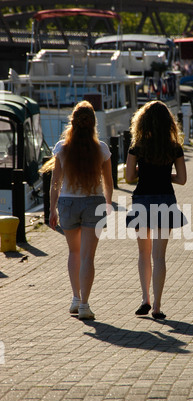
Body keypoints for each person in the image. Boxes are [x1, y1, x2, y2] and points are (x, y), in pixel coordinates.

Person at [40, 100, 113, 320]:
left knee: (74, 252)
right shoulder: (101, 149)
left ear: (72, 122)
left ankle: (74, 298)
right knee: (88, 257)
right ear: (93, 124)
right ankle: (84, 304)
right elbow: (108, 182)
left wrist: (52, 209)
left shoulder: (62, 148)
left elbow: (56, 182)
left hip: (68, 204)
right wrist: (108, 204)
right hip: (94, 203)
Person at [125, 100, 187, 320]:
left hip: (142, 200)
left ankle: (145, 300)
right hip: (165, 201)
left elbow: (129, 177)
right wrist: (163, 175)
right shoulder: (174, 147)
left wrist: (146, 173)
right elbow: (181, 179)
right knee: (160, 256)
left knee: (144, 254)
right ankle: (158, 306)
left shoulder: (137, 146)